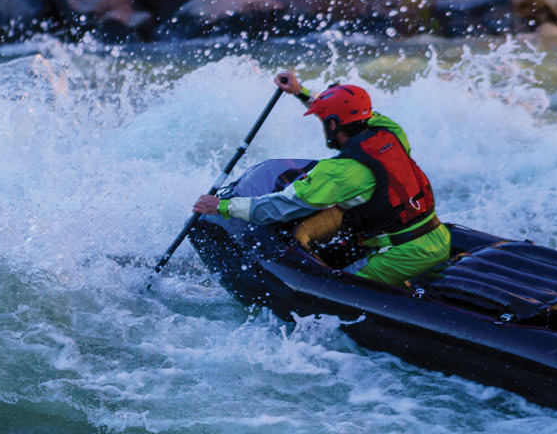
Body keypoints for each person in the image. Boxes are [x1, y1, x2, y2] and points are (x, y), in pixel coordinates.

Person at [191, 71, 451, 286]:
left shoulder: (341, 171)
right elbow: (347, 111)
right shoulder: (390, 132)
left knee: (344, 300)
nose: (324, 124)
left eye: (325, 120)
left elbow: (278, 207)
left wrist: (222, 206)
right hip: (437, 237)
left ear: (334, 125)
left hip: (405, 255)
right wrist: (301, 92)